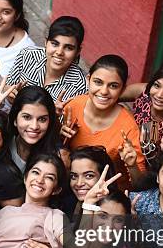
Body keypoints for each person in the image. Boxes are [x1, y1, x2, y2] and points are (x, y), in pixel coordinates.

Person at [60, 54, 146, 190]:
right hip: (73, 185)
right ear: (88, 80)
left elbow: (139, 183)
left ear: (123, 89)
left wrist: (132, 165)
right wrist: (58, 133)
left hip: (108, 194)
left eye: (113, 86)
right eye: (98, 82)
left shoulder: (128, 128)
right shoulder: (73, 106)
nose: (104, 91)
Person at [5, 16, 87, 102]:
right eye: (55, 44)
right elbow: (7, 86)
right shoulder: (27, 55)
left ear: (78, 51)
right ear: (46, 42)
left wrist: (56, 115)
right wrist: (10, 93)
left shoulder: (80, 87)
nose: (59, 52)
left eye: (68, 48)